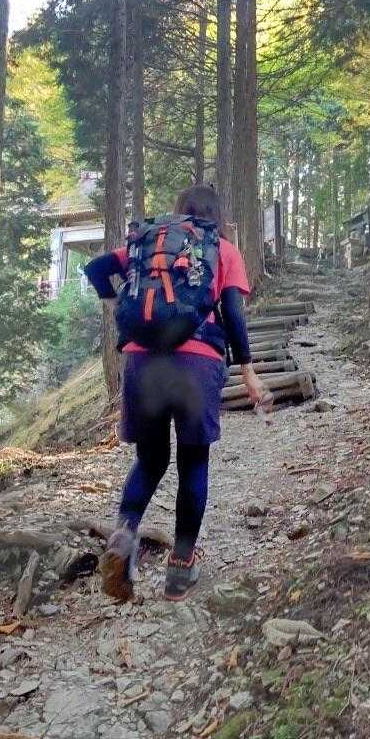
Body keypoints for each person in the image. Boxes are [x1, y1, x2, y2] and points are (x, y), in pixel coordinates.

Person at [84, 184, 268, 602]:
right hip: (196, 364)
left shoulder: (148, 245)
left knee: (150, 461)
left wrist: (118, 305)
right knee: (193, 462)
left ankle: (123, 536)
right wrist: (249, 372)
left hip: (143, 363)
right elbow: (233, 313)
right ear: (215, 215)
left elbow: (96, 268)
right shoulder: (221, 249)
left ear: (178, 210)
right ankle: (181, 568)